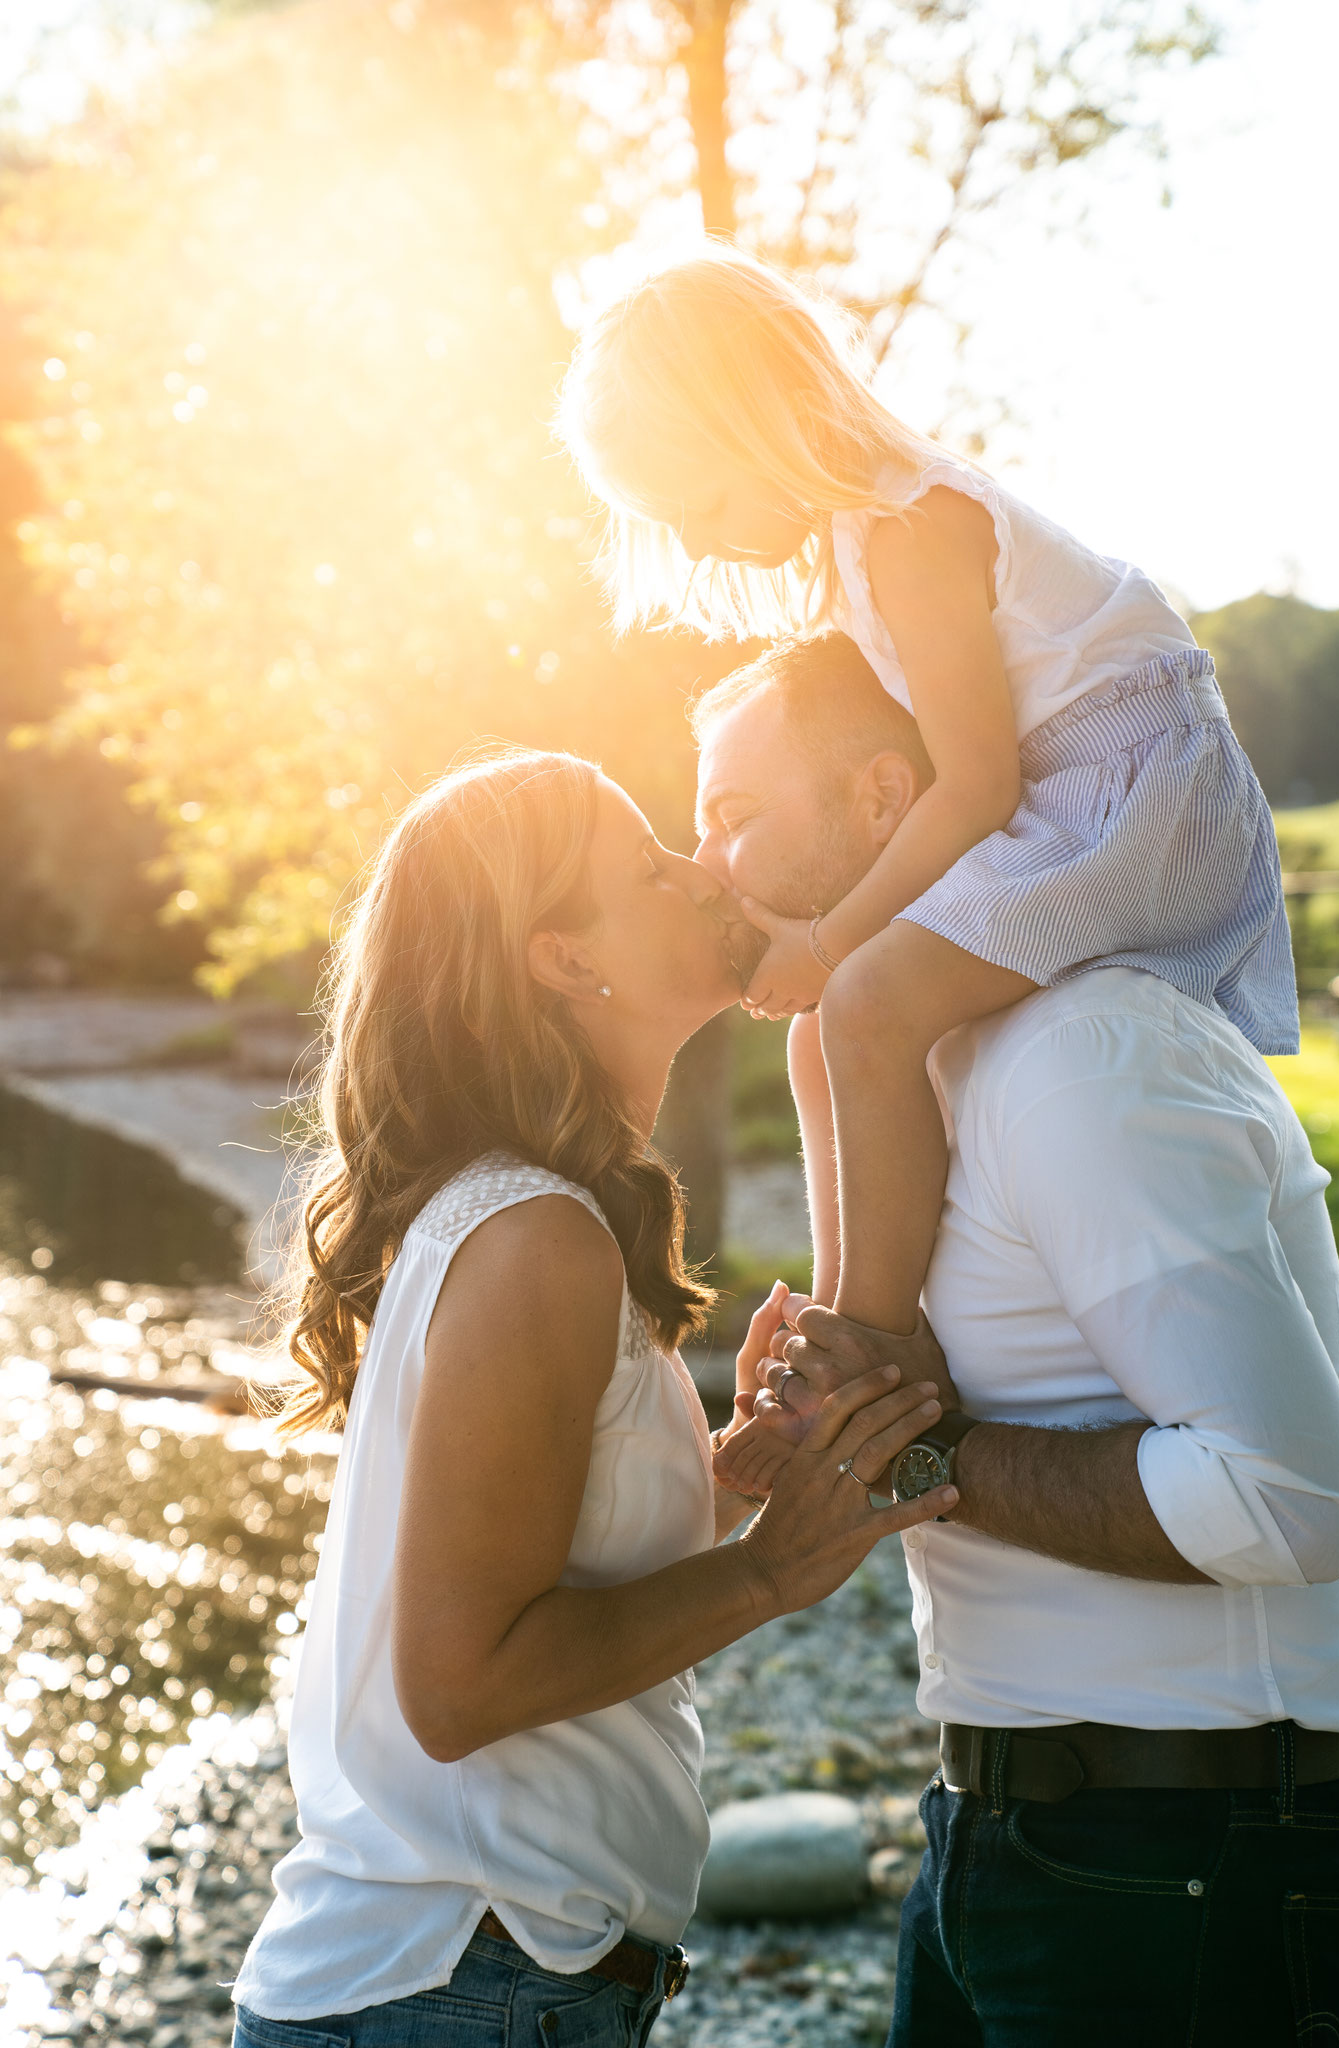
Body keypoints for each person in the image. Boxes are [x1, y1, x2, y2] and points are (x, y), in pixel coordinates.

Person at [693, 637, 1339, 2046]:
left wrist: (916, 1439)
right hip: (1013, 1837)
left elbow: (1290, 1500)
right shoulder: (917, 1069)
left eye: (737, 816)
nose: (709, 866)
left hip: (1182, 1856)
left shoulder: (1078, 1056)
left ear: (886, 796)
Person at [228, 744, 954, 2048]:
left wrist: (730, 1478)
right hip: (453, 1990)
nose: (701, 868)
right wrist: (771, 1577)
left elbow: (536, 1576)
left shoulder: (531, 1222)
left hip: (470, 1988)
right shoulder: (534, 1240)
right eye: (648, 865)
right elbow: (456, 1687)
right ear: (565, 958)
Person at [557, 240, 1298, 1345]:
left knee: (860, 998)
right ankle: (842, 1288)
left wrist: (833, 936)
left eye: (700, 500)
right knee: (823, 1034)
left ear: (759, 418)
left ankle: (879, 1334)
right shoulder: (859, 546)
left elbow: (978, 783)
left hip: (1134, 790)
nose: (700, 539)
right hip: (1067, 794)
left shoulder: (912, 530)